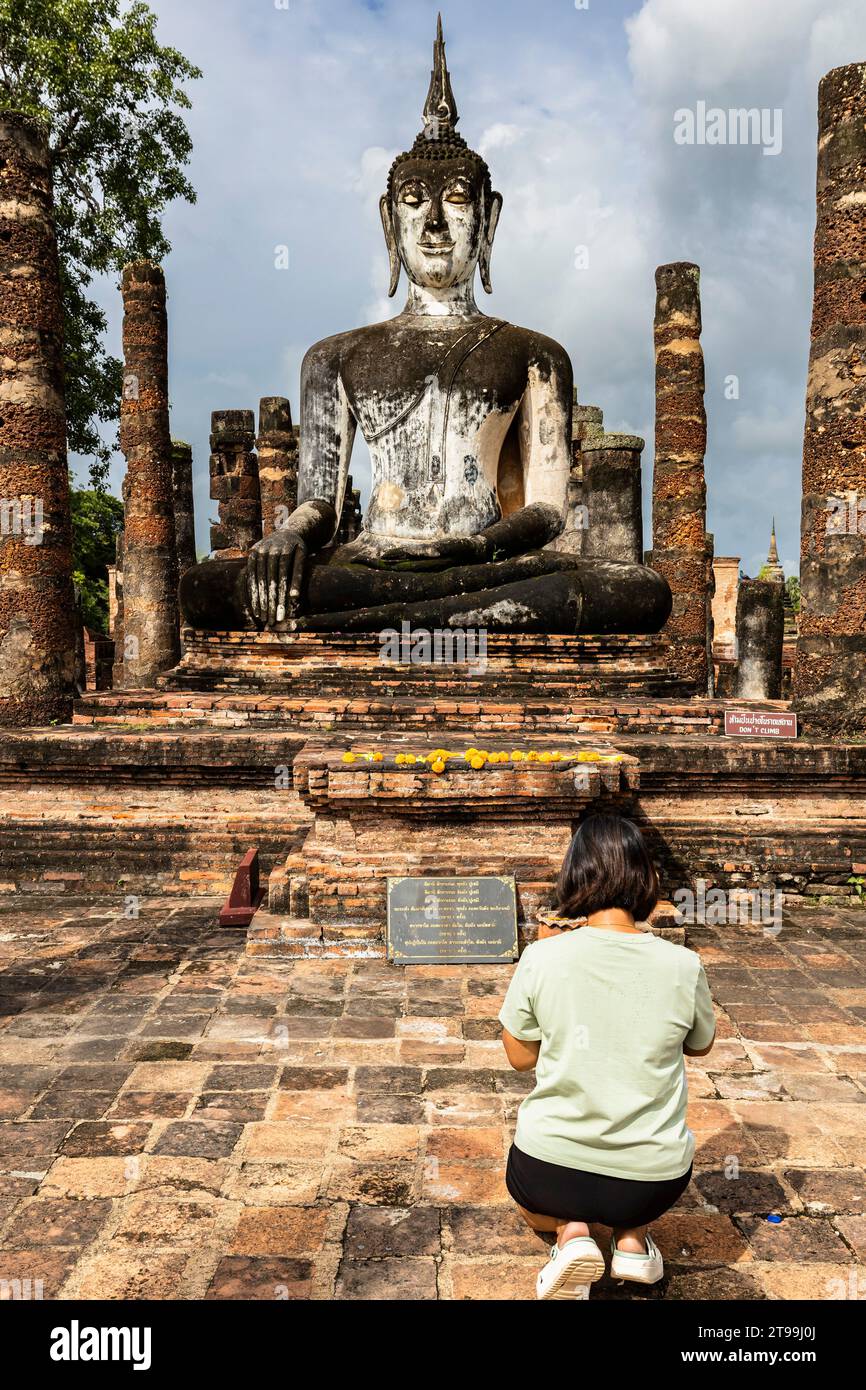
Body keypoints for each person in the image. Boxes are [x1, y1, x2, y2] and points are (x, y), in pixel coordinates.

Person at [499, 812, 716, 1300]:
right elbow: (700, 1044)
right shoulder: (683, 965)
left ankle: (571, 1233)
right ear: (646, 879)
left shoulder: (544, 957)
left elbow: (519, 1057)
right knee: (632, 1195)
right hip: (650, 1181)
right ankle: (633, 1241)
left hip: (549, 1170)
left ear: (574, 874)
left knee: (535, 1202)